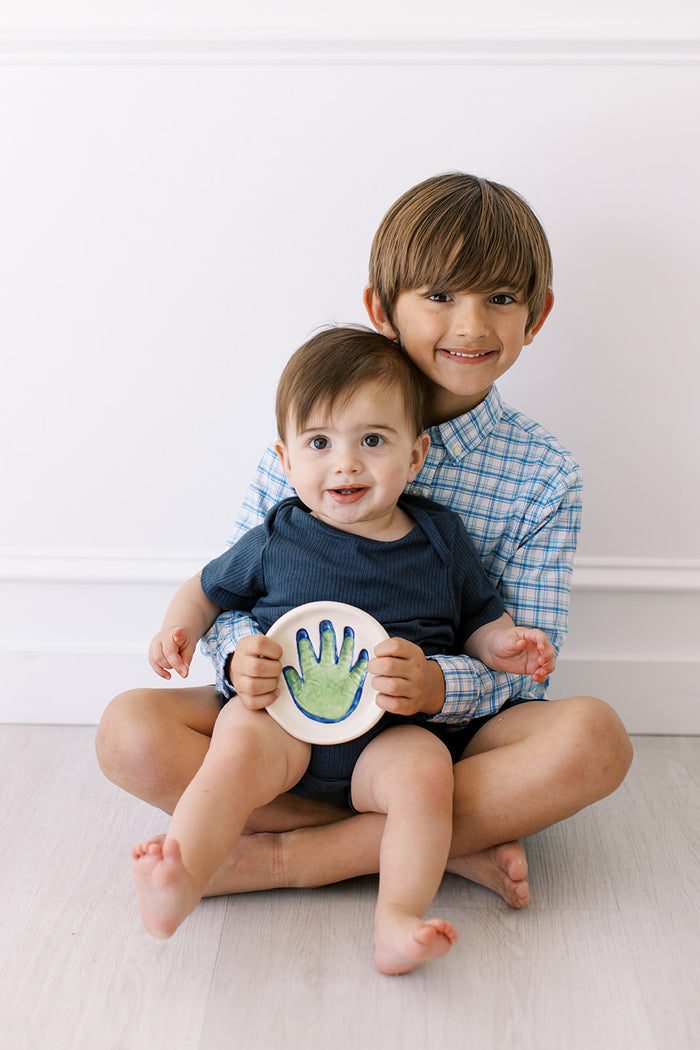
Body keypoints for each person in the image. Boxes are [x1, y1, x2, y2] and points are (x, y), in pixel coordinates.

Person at [97, 171, 632, 918]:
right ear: (382, 309)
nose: (470, 326)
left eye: (500, 298)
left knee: (595, 740)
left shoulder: (544, 475)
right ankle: (430, 845)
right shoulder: (306, 436)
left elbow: (524, 673)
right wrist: (240, 657)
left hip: (425, 746)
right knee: (129, 730)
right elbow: (230, 596)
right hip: (284, 722)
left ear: (536, 316)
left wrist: (441, 685)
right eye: (440, 295)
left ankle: (286, 856)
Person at [131, 327, 557, 974]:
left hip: (390, 735)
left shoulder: (441, 540)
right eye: (321, 443)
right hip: (283, 724)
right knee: (234, 745)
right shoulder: (279, 534)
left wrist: (508, 644)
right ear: (286, 458)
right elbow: (206, 589)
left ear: (415, 457)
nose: (346, 463)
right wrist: (181, 630)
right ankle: (183, 875)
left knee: (425, 775)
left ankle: (396, 918)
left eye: (373, 441)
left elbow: (480, 618)